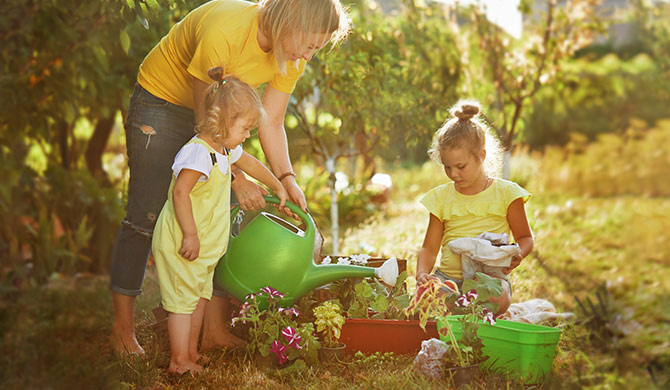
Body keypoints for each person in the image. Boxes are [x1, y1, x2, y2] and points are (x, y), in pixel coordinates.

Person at [109, 0, 351, 356]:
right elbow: (206, 124)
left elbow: (271, 120)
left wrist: (286, 178)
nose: (310, 56)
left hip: (220, 119)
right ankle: (122, 330)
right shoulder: (226, 28)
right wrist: (236, 176)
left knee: (226, 218)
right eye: (311, 44)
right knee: (145, 214)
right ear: (292, 22)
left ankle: (212, 329)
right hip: (162, 102)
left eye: (316, 48)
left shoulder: (291, 56)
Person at [152, 68, 288, 374]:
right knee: (181, 304)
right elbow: (180, 193)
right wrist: (189, 234)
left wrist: (278, 184)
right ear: (222, 121)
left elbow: (250, 162)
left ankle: (191, 352)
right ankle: (178, 361)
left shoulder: (223, 149)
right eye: (245, 128)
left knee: (199, 298)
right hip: (183, 243)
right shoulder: (197, 153)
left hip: (203, 247)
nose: (248, 135)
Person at [415, 100, 534, 316]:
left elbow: (525, 237)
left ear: (481, 155)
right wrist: (423, 273)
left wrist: (519, 255)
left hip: (488, 280)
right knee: (426, 295)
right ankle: (465, 310)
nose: (453, 174)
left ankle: (468, 310)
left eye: (460, 166)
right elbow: (429, 249)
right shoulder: (441, 198)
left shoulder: (507, 194)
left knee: (497, 296)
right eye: (447, 167)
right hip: (448, 280)